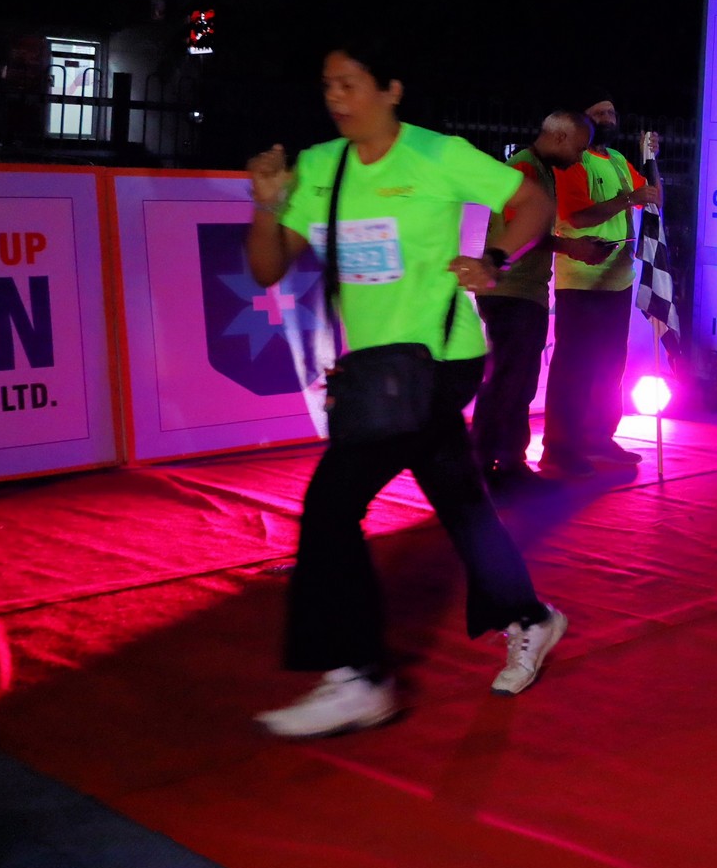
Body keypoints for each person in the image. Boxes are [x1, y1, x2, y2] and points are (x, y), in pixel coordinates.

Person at [243, 43, 564, 738]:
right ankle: (529, 616)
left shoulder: (436, 155)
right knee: (460, 500)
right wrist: (266, 207)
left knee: (330, 506)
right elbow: (268, 268)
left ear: (391, 89)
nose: (336, 97)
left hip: (441, 360)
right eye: (328, 85)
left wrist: (494, 259)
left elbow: (532, 201)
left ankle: (358, 675)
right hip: (377, 371)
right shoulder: (321, 167)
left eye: (350, 84)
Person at [539, 98, 659, 477]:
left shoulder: (619, 160)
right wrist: (628, 199)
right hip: (583, 280)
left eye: (612, 113)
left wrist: (650, 161)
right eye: (599, 114)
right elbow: (577, 215)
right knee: (575, 366)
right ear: (582, 121)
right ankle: (560, 446)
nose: (608, 119)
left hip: (618, 279)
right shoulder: (575, 161)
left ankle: (599, 437)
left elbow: (652, 198)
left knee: (610, 365)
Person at [469, 110, 588, 487]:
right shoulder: (525, 169)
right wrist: (571, 247)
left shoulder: (536, 168)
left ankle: (500, 464)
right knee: (509, 382)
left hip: (519, 291)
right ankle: (494, 466)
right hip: (512, 291)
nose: (579, 158)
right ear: (560, 137)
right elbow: (522, 231)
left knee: (514, 381)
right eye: (578, 148)